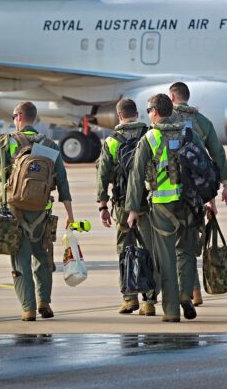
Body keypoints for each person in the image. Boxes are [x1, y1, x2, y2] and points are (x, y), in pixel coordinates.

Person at [0, 101, 74, 321]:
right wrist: (71, 215)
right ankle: (44, 302)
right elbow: (62, 180)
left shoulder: (5, 142)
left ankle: (28, 308)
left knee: (20, 259)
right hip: (41, 209)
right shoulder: (49, 145)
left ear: (19, 117)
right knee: (42, 256)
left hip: (14, 209)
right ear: (34, 118)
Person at [126, 93, 206, 322]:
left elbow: (136, 175)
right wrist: (209, 201)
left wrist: (132, 210)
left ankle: (171, 311)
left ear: (154, 111)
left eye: (149, 111)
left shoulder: (149, 138)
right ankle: (185, 295)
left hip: (162, 207)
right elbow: (204, 165)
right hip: (190, 203)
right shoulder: (189, 133)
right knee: (187, 253)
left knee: (167, 260)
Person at [168, 81, 227, 306]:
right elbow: (214, 156)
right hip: (197, 193)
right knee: (189, 241)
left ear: (172, 98)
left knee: (179, 246)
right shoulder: (202, 121)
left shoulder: (167, 121)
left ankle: (188, 291)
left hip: (170, 192)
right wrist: (224, 185)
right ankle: (194, 291)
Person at [96, 98, 158, 316]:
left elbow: (102, 175)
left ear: (119, 116)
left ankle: (129, 298)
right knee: (149, 251)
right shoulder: (150, 135)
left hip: (123, 205)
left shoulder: (112, 141)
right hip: (149, 204)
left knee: (125, 251)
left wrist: (103, 205)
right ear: (137, 114)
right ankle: (149, 301)